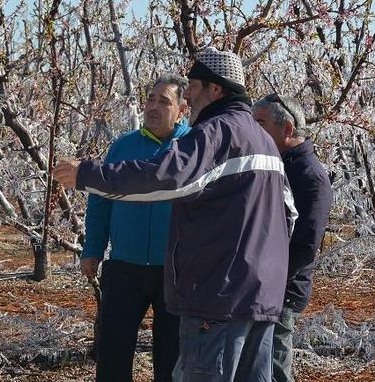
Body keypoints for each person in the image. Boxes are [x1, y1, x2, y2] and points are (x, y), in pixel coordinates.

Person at [54, 47, 297, 382]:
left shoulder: (216, 133)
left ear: (215, 89)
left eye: (193, 87)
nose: (190, 95)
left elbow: (167, 179)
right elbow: (288, 213)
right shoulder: (263, 140)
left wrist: (87, 175)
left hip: (217, 297)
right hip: (258, 297)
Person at [82, 75, 190, 382]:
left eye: (164, 101)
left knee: (172, 355)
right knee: (113, 350)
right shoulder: (123, 147)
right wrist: (92, 250)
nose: (153, 107)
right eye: (150, 99)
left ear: (182, 110)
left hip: (175, 269)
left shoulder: (193, 148)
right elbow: (100, 202)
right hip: (124, 268)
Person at [252, 94, 332, 382]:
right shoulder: (276, 164)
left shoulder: (310, 176)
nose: (252, 130)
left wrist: (271, 279)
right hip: (261, 287)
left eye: (259, 123)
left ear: (287, 129)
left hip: (281, 291)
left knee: (274, 367)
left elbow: (306, 245)